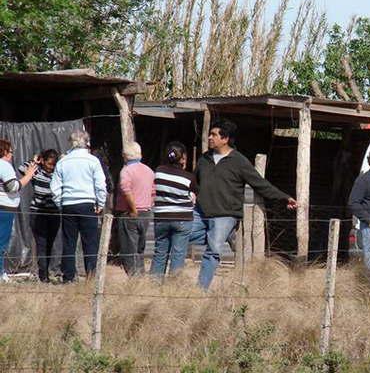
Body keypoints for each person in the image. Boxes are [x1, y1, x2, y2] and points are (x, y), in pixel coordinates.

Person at [192, 119, 297, 289]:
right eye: (210, 134)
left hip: (224, 215)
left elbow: (260, 183)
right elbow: (195, 181)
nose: (210, 138)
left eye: (214, 135)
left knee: (213, 251)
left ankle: (200, 289)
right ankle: (228, 237)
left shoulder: (238, 161)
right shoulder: (204, 159)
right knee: (181, 233)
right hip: (200, 212)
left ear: (225, 139)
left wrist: (283, 197)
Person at [50, 131, 107, 283]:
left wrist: (60, 203)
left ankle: (68, 277)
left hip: (68, 204)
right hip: (87, 203)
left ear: (71, 143)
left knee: (69, 242)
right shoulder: (93, 160)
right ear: (87, 142)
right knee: (90, 242)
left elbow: (54, 187)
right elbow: (100, 184)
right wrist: (100, 203)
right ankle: (91, 276)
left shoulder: (63, 161)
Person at [150, 142, 197, 278]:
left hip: (161, 218)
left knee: (160, 252)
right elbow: (195, 193)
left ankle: (154, 283)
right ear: (182, 158)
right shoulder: (188, 177)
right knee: (178, 254)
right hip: (182, 218)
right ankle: (174, 284)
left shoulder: (158, 172)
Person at [18, 149, 60, 282]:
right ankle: (43, 275)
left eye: (53, 164)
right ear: (43, 161)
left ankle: (47, 270)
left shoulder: (57, 175)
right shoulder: (36, 172)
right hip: (38, 213)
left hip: (54, 213)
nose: (50, 167)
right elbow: (22, 167)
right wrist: (34, 161)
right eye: (48, 164)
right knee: (41, 243)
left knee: (49, 244)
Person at [115, 142, 154, 276]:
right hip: (146, 213)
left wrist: (133, 209)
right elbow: (153, 192)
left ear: (125, 155)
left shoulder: (126, 171)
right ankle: (140, 274)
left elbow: (126, 190)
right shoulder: (149, 170)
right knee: (139, 248)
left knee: (128, 248)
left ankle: (133, 278)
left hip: (130, 213)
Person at [0, 139, 36, 282]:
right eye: (10, 151)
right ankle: (0, 273)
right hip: (4, 208)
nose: (12, 154)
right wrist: (28, 176)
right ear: (4, 152)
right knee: (1, 242)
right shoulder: (4, 166)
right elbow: (12, 187)